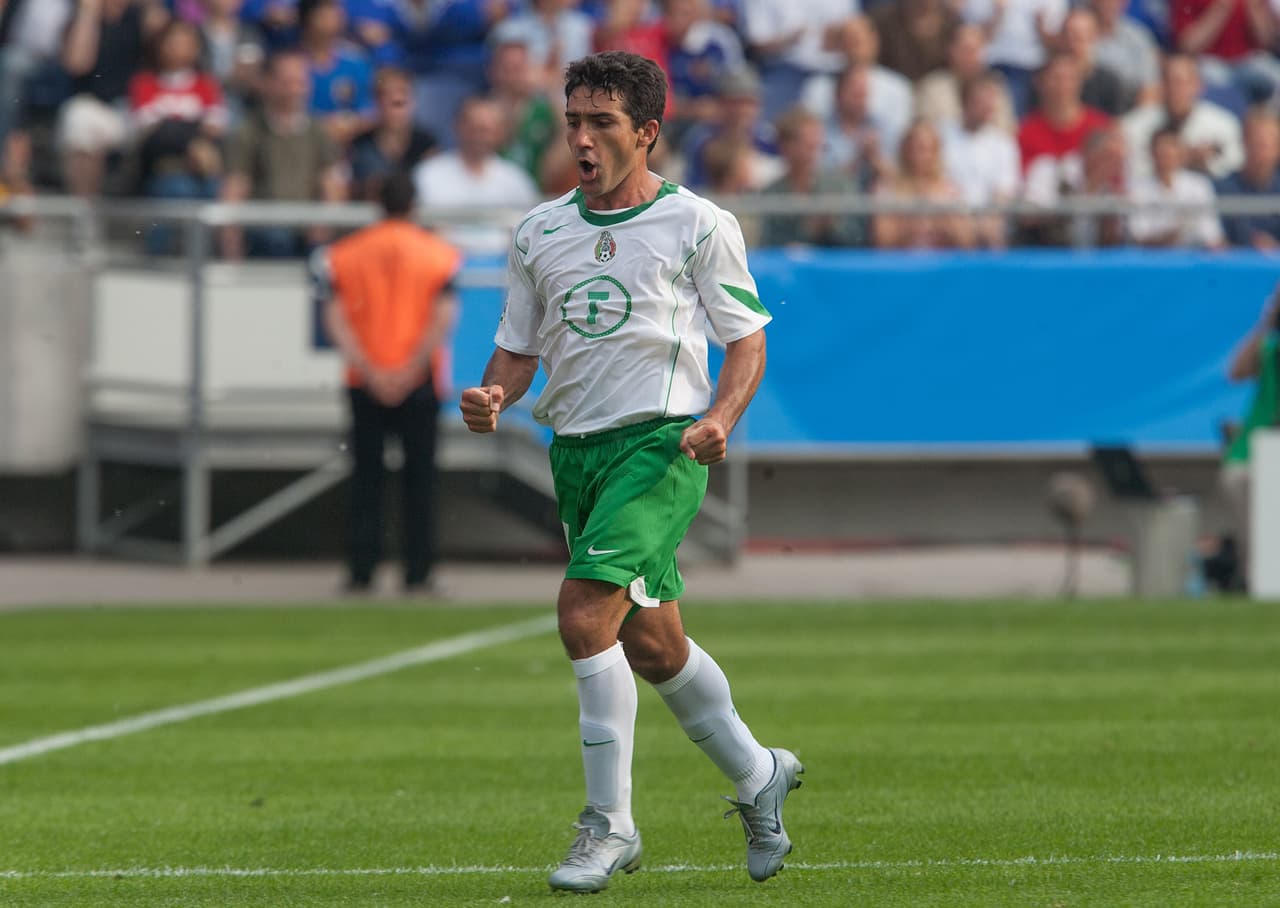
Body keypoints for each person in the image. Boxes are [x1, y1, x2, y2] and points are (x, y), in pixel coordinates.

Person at [458, 50, 802, 894]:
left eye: (601, 121)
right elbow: (519, 347)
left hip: (663, 447)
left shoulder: (698, 224)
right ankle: (759, 773)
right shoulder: (540, 230)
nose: (581, 136)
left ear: (646, 133)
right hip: (575, 454)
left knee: (583, 615)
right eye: (573, 119)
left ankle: (610, 827)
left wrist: (719, 418)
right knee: (653, 643)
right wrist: (494, 393)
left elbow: (747, 337)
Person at [314, 168, 461, 595]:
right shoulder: (438, 253)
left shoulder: (346, 252)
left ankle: (362, 569)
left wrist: (370, 368)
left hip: (365, 377)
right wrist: (411, 367)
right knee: (421, 480)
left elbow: (336, 317)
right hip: (419, 378)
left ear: (377, 202)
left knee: (366, 478)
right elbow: (442, 316)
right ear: (415, 205)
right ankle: (418, 570)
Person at [218, 47, 347, 258]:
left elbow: (331, 184)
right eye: (286, 83)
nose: (294, 90)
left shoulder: (319, 132)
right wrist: (231, 239)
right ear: (268, 84)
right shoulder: (249, 131)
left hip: (306, 228)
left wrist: (324, 224)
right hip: (264, 227)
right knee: (276, 239)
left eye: (300, 82)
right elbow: (236, 184)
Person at [1221, 289, 1280, 590]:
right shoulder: (1269, 348)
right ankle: (1253, 575)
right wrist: (1267, 322)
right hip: (1254, 452)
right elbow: (1235, 371)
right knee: (1239, 482)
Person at [1128, 126, 1226, 249]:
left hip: (1194, 261)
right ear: (1151, 152)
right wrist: (1172, 236)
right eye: (1161, 149)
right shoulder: (1136, 188)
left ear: (1181, 152)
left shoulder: (1199, 185)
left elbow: (1212, 235)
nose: (1167, 154)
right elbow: (1138, 237)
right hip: (1152, 262)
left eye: (1172, 147)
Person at [1216, 108, 1280, 250]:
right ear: (1244, 142)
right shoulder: (1221, 189)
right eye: (1256, 141)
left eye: (1269, 142)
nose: (1262, 148)